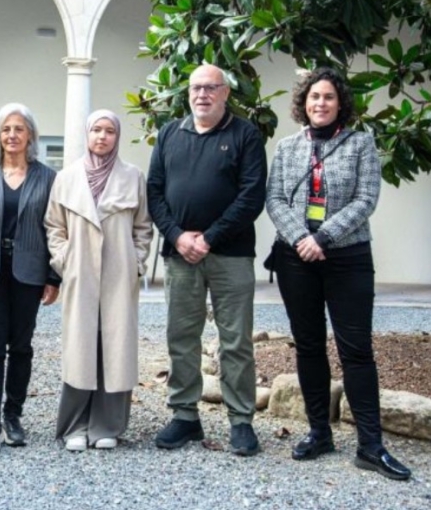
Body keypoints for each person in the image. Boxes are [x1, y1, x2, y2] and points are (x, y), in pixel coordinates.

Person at [266, 69, 411, 480]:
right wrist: (300, 239)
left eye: (328, 97)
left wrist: (323, 237)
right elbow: (274, 199)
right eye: (314, 97)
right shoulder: (287, 146)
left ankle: (370, 445)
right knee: (309, 345)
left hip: (347, 257)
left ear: (340, 102)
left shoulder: (361, 143)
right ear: (303, 102)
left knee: (356, 350)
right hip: (296, 258)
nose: (321, 104)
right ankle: (319, 432)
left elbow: (367, 198)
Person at [146, 64, 267, 456]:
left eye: (210, 88)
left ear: (225, 93)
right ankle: (184, 416)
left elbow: (252, 196)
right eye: (196, 87)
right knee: (181, 337)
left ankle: (241, 421)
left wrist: (209, 238)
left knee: (235, 340)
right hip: (180, 255)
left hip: (230, 255)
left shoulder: (245, 134)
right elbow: (155, 193)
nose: (202, 95)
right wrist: (178, 236)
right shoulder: (169, 134)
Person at [45, 109, 153, 451]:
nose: (102, 137)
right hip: (81, 276)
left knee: (115, 349)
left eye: (109, 131)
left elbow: (143, 227)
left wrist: (136, 262)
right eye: (96, 130)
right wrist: (64, 260)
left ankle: (108, 425)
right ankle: (75, 425)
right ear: (87, 134)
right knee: (81, 348)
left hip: (119, 277)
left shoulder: (133, 176)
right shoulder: (66, 178)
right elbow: (54, 226)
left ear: (117, 137)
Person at [0, 103, 60, 453]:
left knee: (21, 346)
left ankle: (13, 416)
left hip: (29, 272)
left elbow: (54, 229)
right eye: (6, 129)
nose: (13, 135)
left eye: (19, 129)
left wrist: (53, 276)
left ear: (30, 134)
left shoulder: (48, 178)